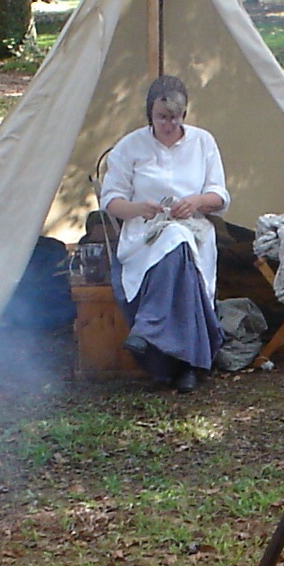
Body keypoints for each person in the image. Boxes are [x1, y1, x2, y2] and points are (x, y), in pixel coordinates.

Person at [101, 74, 230, 392]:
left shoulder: (203, 142)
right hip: (145, 231)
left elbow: (220, 197)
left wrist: (197, 201)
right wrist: (137, 209)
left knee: (180, 240)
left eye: (175, 117)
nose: (169, 124)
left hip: (193, 228)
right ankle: (189, 364)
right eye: (162, 117)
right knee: (176, 244)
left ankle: (149, 328)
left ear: (184, 114)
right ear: (150, 114)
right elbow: (110, 201)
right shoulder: (130, 146)